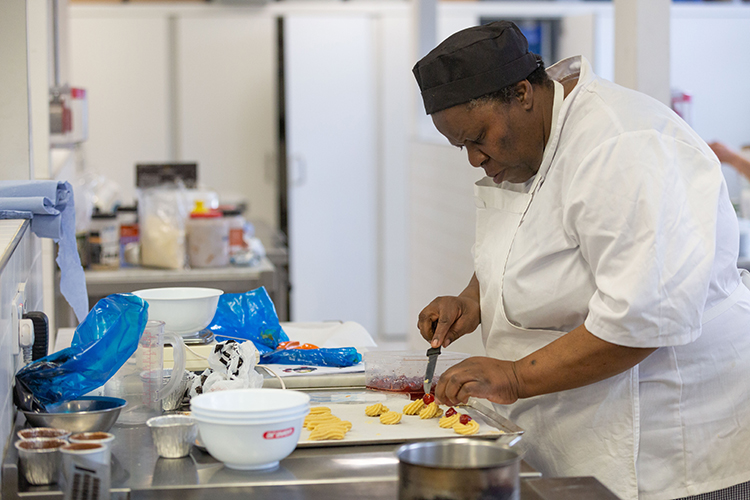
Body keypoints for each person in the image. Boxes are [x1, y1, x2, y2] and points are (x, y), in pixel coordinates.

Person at [413, 21, 750, 500]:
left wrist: (512, 376)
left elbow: (642, 320)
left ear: (524, 93)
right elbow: (527, 231)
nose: (473, 159)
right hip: (571, 427)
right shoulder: (528, 142)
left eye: (477, 139)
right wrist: (474, 297)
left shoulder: (625, 146)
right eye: (461, 146)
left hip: (671, 446)